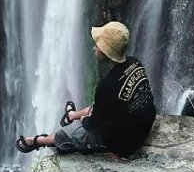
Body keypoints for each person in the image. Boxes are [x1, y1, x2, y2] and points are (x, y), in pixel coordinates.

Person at [15, 21, 156, 158]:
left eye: (98, 45)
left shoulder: (107, 86)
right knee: (103, 106)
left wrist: (83, 119)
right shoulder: (135, 63)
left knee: (72, 133)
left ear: (107, 52)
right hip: (144, 124)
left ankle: (39, 141)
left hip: (124, 143)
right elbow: (108, 105)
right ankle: (71, 115)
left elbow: (91, 125)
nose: (94, 48)